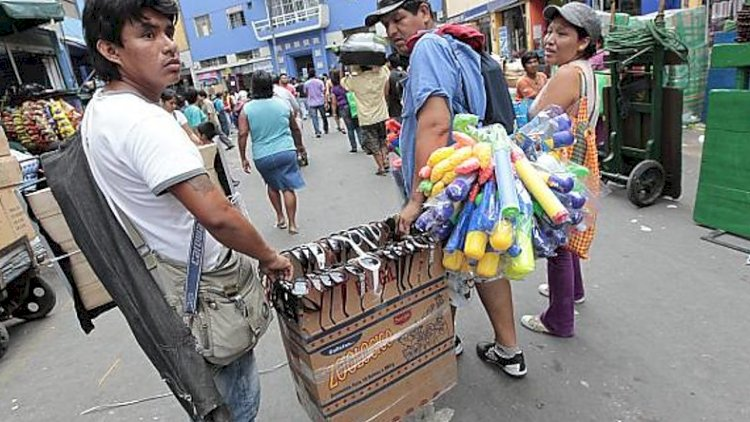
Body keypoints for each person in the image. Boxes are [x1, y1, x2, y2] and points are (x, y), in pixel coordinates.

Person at [81, 1, 292, 421]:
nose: (168, 46)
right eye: (147, 34)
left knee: (214, 402)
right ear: (110, 51)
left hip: (166, 284)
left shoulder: (100, 112)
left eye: (166, 31)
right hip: (202, 292)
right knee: (236, 405)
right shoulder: (143, 121)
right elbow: (216, 215)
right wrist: (270, 257)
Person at [369, 0, 526, 377]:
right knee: (484, 263)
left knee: (443, 265)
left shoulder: (427, 48)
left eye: (398, 19)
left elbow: (436, 125)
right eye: (386, 24)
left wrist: (416, 199)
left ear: (424, 11)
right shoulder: (459, 45)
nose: (392, 31)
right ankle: (509, 351)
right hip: (472, 178)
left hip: (445, 187)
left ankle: (443, 342)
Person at [521, 2, 601, 338]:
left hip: (564, 164)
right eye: (550, 31)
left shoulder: (568, 73)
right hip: (582, 162)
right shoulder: (585, 69)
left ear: (583, 41)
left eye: (562, 33)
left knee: (556, 240)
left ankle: (559, 319)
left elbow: (535, 116)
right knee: (569, 234)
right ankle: (574, 291)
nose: (550, 40)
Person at [239, 71, 306, 235]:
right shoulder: (282, 105)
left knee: (272, 185)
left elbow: (242, 134)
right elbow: (295, 128)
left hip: (262, 155)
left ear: (253, 86)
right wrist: (300, 146)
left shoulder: (247, 109)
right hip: (286, 150)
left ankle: (280, 218)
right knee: (288, 187)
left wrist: (243, 157)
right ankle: (292, 224)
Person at [342, 64, 390, 175]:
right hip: (382, 115)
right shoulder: (379, 75)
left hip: (366, 118)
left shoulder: (355, 81)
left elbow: (343, 82)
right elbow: (385, 69)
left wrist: (345, 66)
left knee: (373, 143)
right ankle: (386, 161)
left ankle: (381, 167)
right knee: (382, 140)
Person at [330, 70, 362, 153]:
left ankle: (353, 147)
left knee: (350, 128)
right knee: (358, 127)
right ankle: (363, 144)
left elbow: (334, 102)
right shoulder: (347, 85)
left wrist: (334, 112)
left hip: (343, 108)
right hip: (353, 106)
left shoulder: (334, 89)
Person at [304, 69, 328, 137]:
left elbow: (305, 92)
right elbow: (323, 91)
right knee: (323, 116)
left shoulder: (306, 83)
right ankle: (325, 128)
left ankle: (317, 131)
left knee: (314, 118)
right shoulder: (320, 82)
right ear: (315, 73)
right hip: (320, 101)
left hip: (311, 102)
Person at [386, 53, 407, 121]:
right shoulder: (405, 74)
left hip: (393, 109)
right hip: (404, 107)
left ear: (389, 63)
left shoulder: (388, 76)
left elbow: (387, 93)